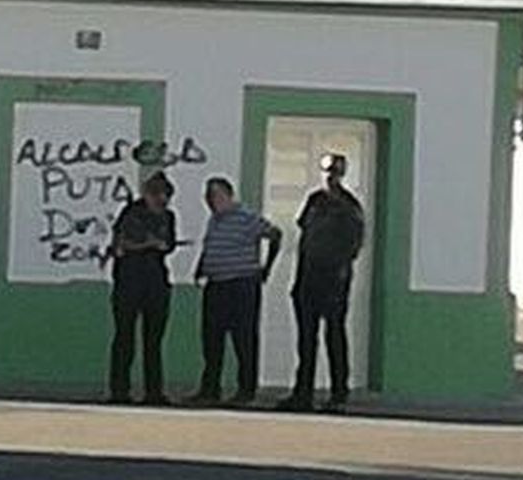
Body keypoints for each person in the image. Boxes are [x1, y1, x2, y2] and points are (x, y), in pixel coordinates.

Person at [276, 153, 365, 413]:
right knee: (306, 339)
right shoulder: (315, 201)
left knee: (334, 336)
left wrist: (339, 275)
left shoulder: (350, 206)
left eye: (335, 172)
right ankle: (302, 393)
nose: (330, 176)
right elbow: (304, 231)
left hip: (334, 281)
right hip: (308, 278)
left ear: (342, 174)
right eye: (326, 171)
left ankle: (339, 394)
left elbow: (354, 245)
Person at [191, 177, 281, 407]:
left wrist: (266, 268)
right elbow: (211, 246)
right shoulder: (214, 221)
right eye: (209, 196)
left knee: (244, 339)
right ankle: (210, 389)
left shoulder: (246, 217)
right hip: (216, 284)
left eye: (216, 196)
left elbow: (275, 234)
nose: (212, 201)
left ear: (229, 195)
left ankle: (246, 390)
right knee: (211, 340)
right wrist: (202, 266)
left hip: (241, 285)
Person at [107, 172, 177, 406]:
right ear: (148, 194)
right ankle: (119, 390)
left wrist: (151, 244)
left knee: (153, 340)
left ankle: (154, 391)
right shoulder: (131, 213)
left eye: (165, 197)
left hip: (156, 283)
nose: (162, 202)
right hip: (129, 282)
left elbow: (168, 245)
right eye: (158, 196)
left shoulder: (168, 217)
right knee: (124, 337)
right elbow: (120, 245)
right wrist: (148, 244)